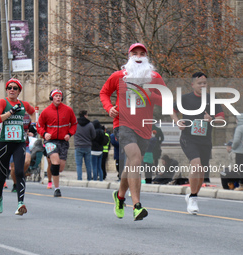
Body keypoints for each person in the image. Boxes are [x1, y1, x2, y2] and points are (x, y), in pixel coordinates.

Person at [100, 43, 167, 221]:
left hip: (144, 127)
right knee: (135, 158)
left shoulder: (154, 77)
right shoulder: (119, 76)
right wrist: (109, 108)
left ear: (146, 57)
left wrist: (150, 94)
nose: (138, 56)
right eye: (134, 53)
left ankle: (120, 196)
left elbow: (166, 99)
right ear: (129, 56)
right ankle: (137, 205)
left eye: (141, 54)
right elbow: (104, 93)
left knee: (131, 164)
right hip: (122, 124)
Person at [171, 72, 225, 214]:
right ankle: (194, 198)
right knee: (196, 165)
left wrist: (211, 119)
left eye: (204, 83)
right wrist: (178, 122)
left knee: (201, 171)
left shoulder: (212, 99)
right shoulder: (185, 99)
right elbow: (171, 110)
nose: (202, 86)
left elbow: (221, 119)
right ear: (193, 84)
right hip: (188, 138)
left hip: (205, 140)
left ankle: (192, 194)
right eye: (199, 83)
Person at [0, 78, 35, 215]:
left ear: (19, 91)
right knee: (3, 174)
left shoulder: (24, 104)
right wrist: (11, 112)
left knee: (19, 171)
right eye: (9, 87)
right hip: (5, 143)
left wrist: (31, 126)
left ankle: (20, 203)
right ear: (6, 90)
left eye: (15, 88)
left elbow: (33, 112)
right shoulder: (2, 102)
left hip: (19, 142)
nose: (12, 90)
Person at [37, 89, 77, 197]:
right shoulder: (46, 111)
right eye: (56, 96)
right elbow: (39, 126)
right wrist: (44, 134)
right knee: (55, 162)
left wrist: (70, 133)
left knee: (60, 167)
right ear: (52, 98)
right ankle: (57, 188)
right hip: (50, 141)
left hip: (63, 141)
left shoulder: (68, 110)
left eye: (60, 96)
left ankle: (53, 175)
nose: (58, 98)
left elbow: (74, 124)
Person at [10, 113, 34, 193]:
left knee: (27, 161)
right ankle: (15, 183)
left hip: (24, 143)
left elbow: (31, 127)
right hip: (12, 144)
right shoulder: (8, 115)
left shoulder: (27, 116)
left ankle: (20, 175)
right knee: (13, 168)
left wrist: (30, 132)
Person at [74, 110, 96, 181]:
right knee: (88, 164)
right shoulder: (90, 124)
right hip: (87, 146)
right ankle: (89, 178)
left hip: (78, 146)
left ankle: (79, 178)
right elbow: (93, 135)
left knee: (79, 164)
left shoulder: (76, 124)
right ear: (85, 115)